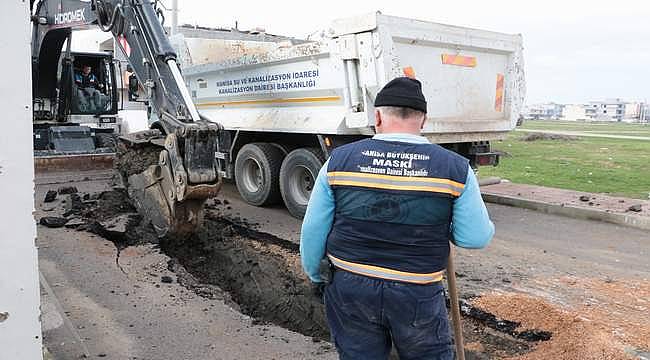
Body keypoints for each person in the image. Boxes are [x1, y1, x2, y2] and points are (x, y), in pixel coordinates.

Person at [300, 77, 495, 360]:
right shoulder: (454, 169)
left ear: (377, 116)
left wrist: (316, 275)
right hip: (416, 292)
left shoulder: (338, 161)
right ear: (424, 120)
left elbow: (313, 229)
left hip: (350, 287)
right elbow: (474, 237)